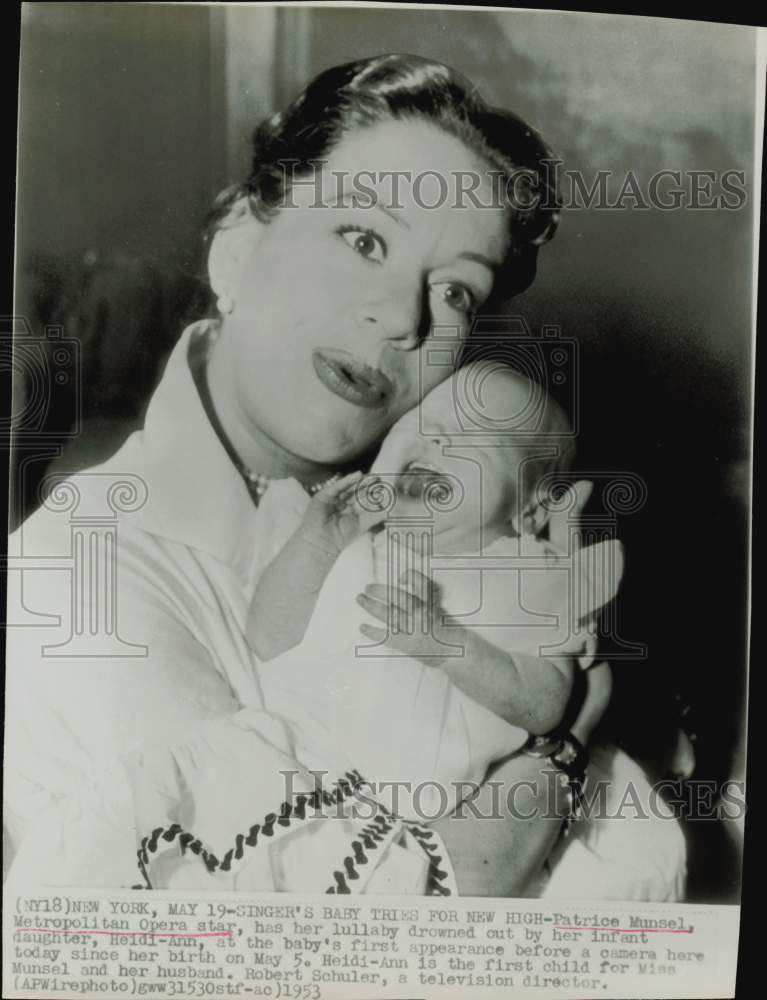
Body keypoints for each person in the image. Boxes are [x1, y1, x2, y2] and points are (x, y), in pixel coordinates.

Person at [5, 54, 685, 897]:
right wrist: (566, 735)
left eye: (456, 293)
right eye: (363, 240)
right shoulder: (82, 572)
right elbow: (366, 914)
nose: (402, 317)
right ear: (236, 254)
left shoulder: (429, 520)